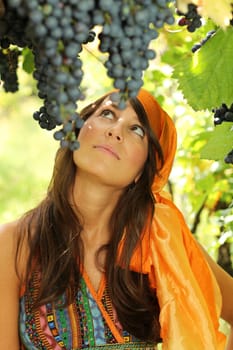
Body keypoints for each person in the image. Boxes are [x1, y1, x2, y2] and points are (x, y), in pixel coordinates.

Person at [0, 88, 233, 350]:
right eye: (107, 114)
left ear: (143, 170)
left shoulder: (162, 242)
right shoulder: (14, 243)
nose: (115, 131)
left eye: (137, 130)